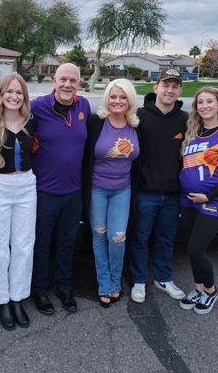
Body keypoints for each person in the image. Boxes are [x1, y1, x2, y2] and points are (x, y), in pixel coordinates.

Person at [31, 63, 91, 315]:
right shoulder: (36, 107)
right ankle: (40, 289)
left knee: (67, 243)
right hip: (44, 191)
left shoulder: (84, 106)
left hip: (73, 192)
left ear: (79, 83)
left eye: (73, 80)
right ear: (53, 80)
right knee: (42, 243)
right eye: (63, 79)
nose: (67, 85)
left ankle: (64, 287)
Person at [178, 86, 218, 314]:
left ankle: (211, 290)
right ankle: (198, 289)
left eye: (209, 101)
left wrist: (209, 195)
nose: (204, 106)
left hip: (213, 201)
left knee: (196, 249)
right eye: (200, 102)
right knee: (191, 248)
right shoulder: (192, 133)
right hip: (187, 201)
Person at [0, 73, 37, 330]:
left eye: (19, 93)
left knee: (24, 246)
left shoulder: (32, 121)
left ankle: (17, 298)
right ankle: (0, 300)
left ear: (24, 97)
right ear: (1, 94)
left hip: (26, 186)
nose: (14, 97)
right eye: (9, 92)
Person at [129, 69, 187, 304]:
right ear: (156, 88)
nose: (170, 90)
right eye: (166, 85)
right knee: (140, 238)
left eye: (175, 86)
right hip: (145, 193)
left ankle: (163, 278)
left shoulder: (186, 120)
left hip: (173, 194)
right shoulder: (139, 117)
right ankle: (139, 280)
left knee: (166, 238)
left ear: (180, 90)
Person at [82, 78, 140, 307]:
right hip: (97, 189)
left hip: (122, 190)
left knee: (117, 238)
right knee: (99, 236)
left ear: (130, 100)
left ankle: (116, 280)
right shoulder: (95, 123)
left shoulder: (136, 125)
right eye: (113, 96)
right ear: (107, 98)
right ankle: (105, 284)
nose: (117, 101)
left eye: (123, 97)